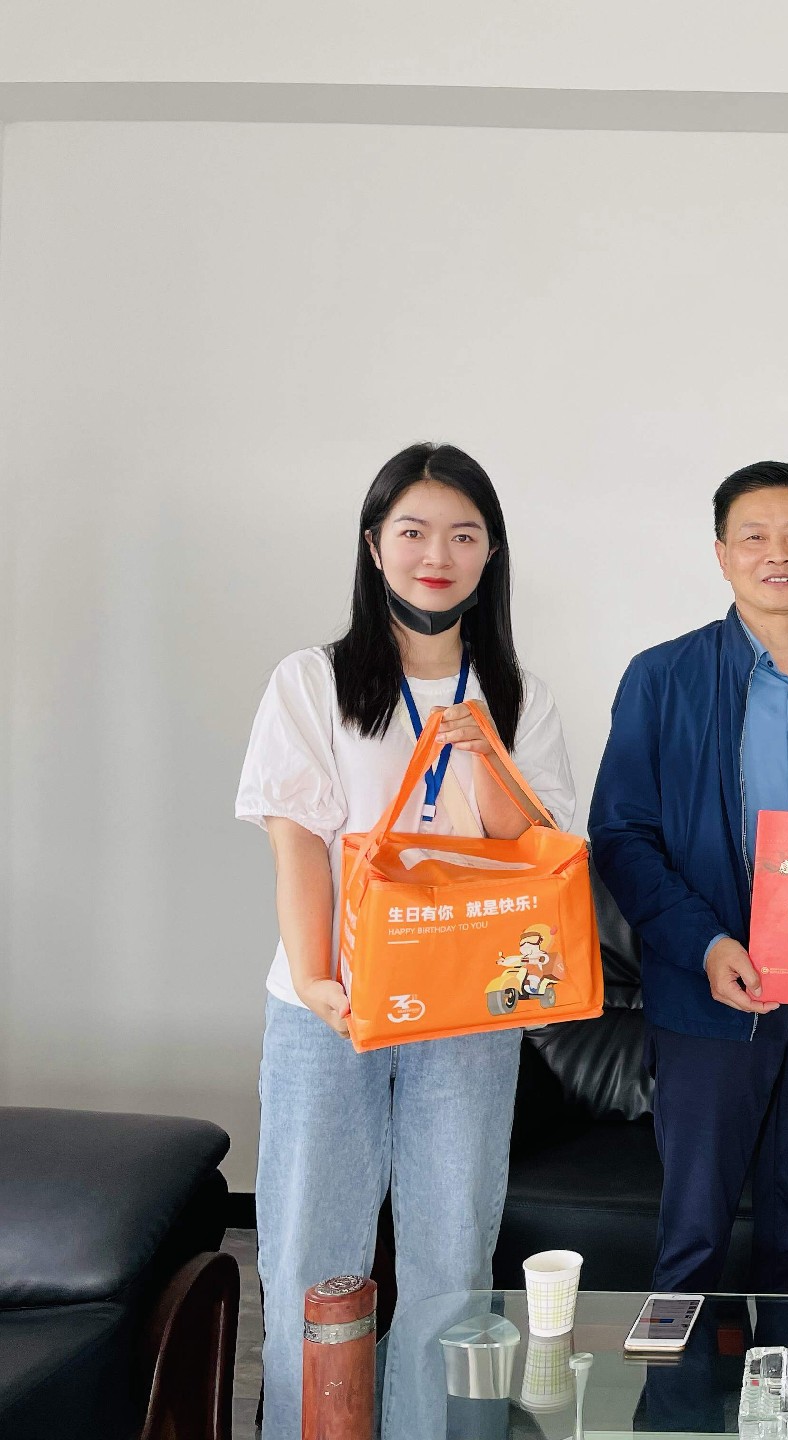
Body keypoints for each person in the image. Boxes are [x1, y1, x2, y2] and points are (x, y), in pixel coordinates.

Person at [236, 443, 575, 1439]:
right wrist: (317, 979)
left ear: (491, 554)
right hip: (328, 1013)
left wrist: (487, 756)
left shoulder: (520, 695)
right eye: (415, 531)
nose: (438, 555)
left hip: (465, 1014)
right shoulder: (312, 680)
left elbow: (535, 858)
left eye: (464, 535)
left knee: (451, 1263)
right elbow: (297, 843)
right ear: (374, 544)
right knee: (310, 1260)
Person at [589, 461, 788, 1292]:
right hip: (708, 992)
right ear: (721, 554)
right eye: (755, 536)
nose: (779, 553)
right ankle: (681, 1377)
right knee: (692, 1238)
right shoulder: (661, 676)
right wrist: (704, 945)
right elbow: (621, 835)